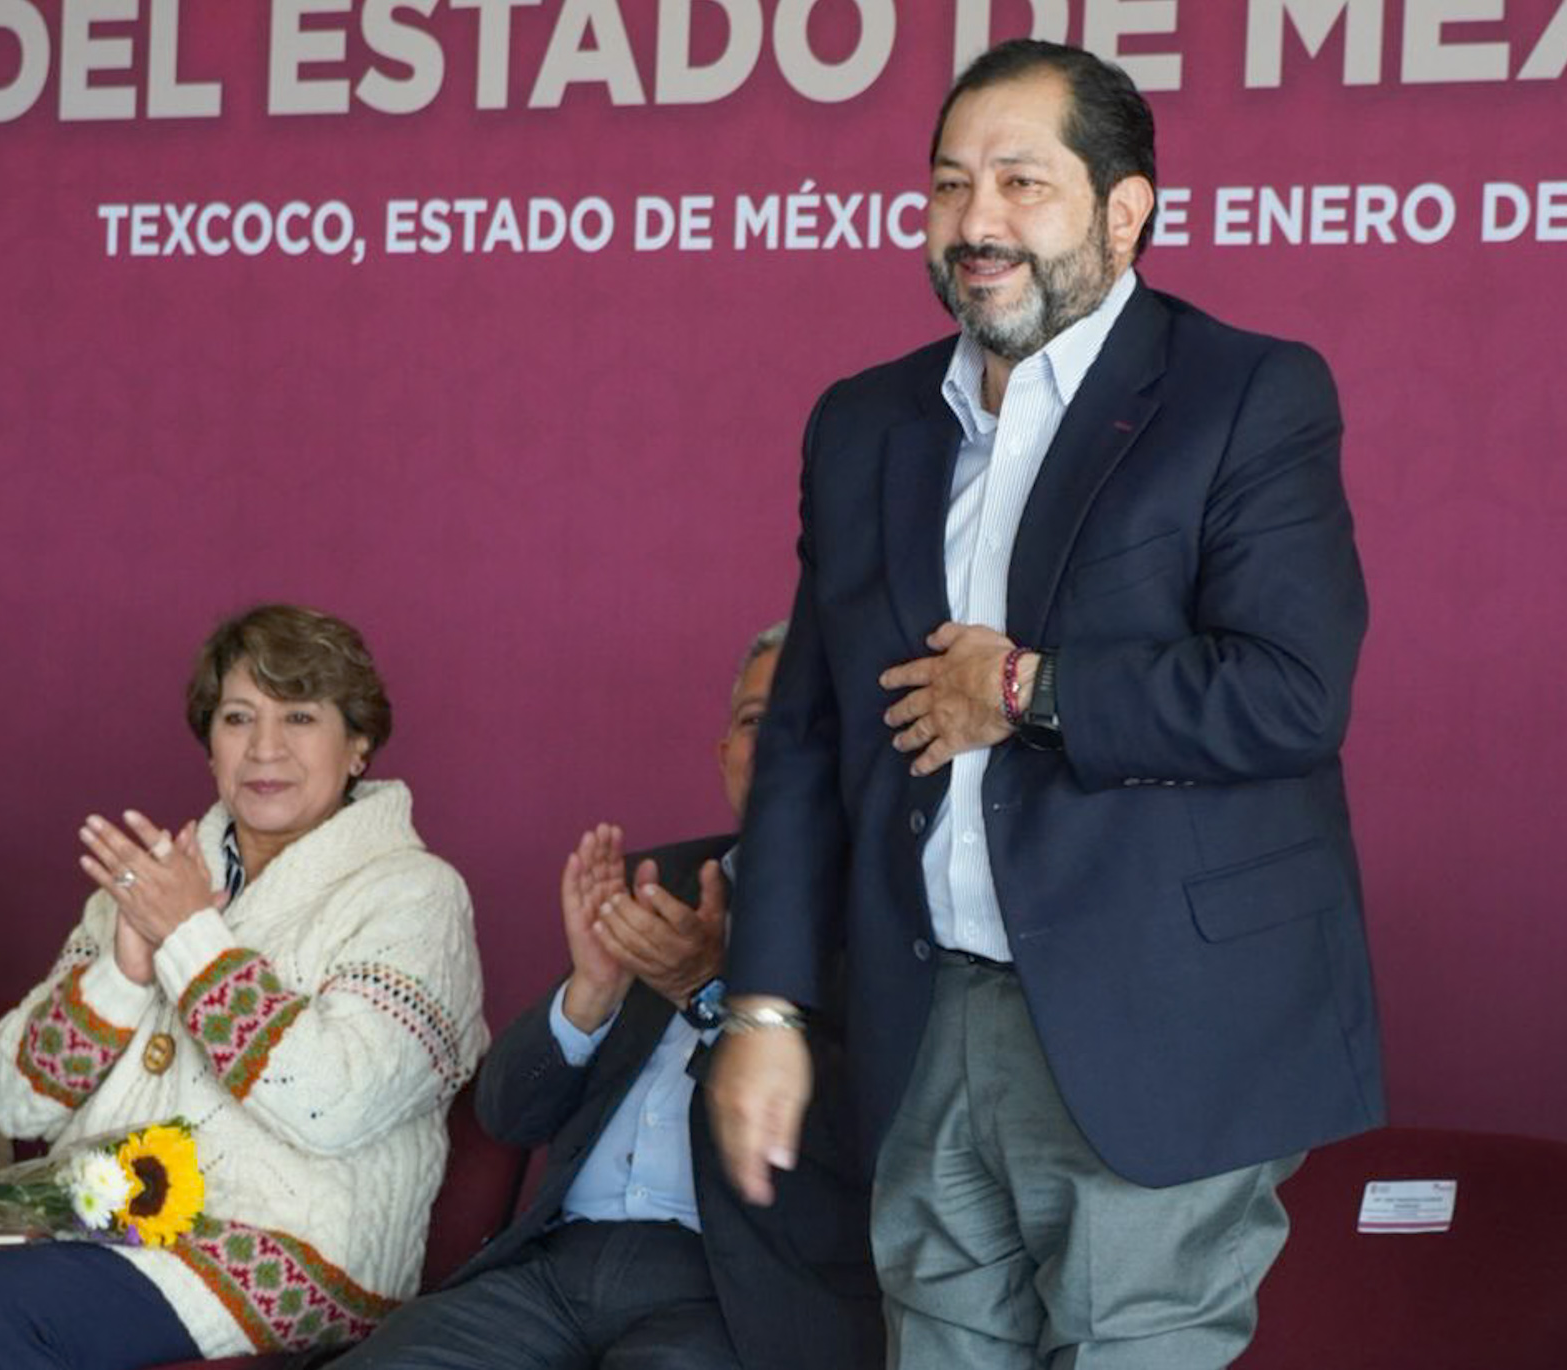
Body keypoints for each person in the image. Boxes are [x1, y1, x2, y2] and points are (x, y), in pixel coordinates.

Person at [707, 39, 1382, 1370]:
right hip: (922, 1018)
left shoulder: (1246, 394)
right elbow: (806, 736)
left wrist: (1025, 689)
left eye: (1022, 181)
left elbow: (1290, 693)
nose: (977, 222)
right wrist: (766, 1005)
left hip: (1158, 1015)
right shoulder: (864, 423)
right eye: (950, 183)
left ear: (1123, 211)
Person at [0, 603, 488, 1369]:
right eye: (238, 718)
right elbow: (17, 1100)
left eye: (299, 717)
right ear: (210, 744)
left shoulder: (416, 895)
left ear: (357, 746)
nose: (265, 748)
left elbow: (334, 1104)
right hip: (108, 1216)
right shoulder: (147, 883)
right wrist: (123, 974)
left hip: (301, 1248)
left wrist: (189, 936)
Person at [335, 622, 883, 1370]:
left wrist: (707, 992)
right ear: (725, 751)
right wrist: (588, 993)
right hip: (552, 1271)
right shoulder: (655, 883)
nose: (777, 746)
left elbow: (865, 1145)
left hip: (733, 1294)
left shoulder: (892, 924)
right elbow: (507, 1115)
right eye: (758, 722)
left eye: (808, 721)